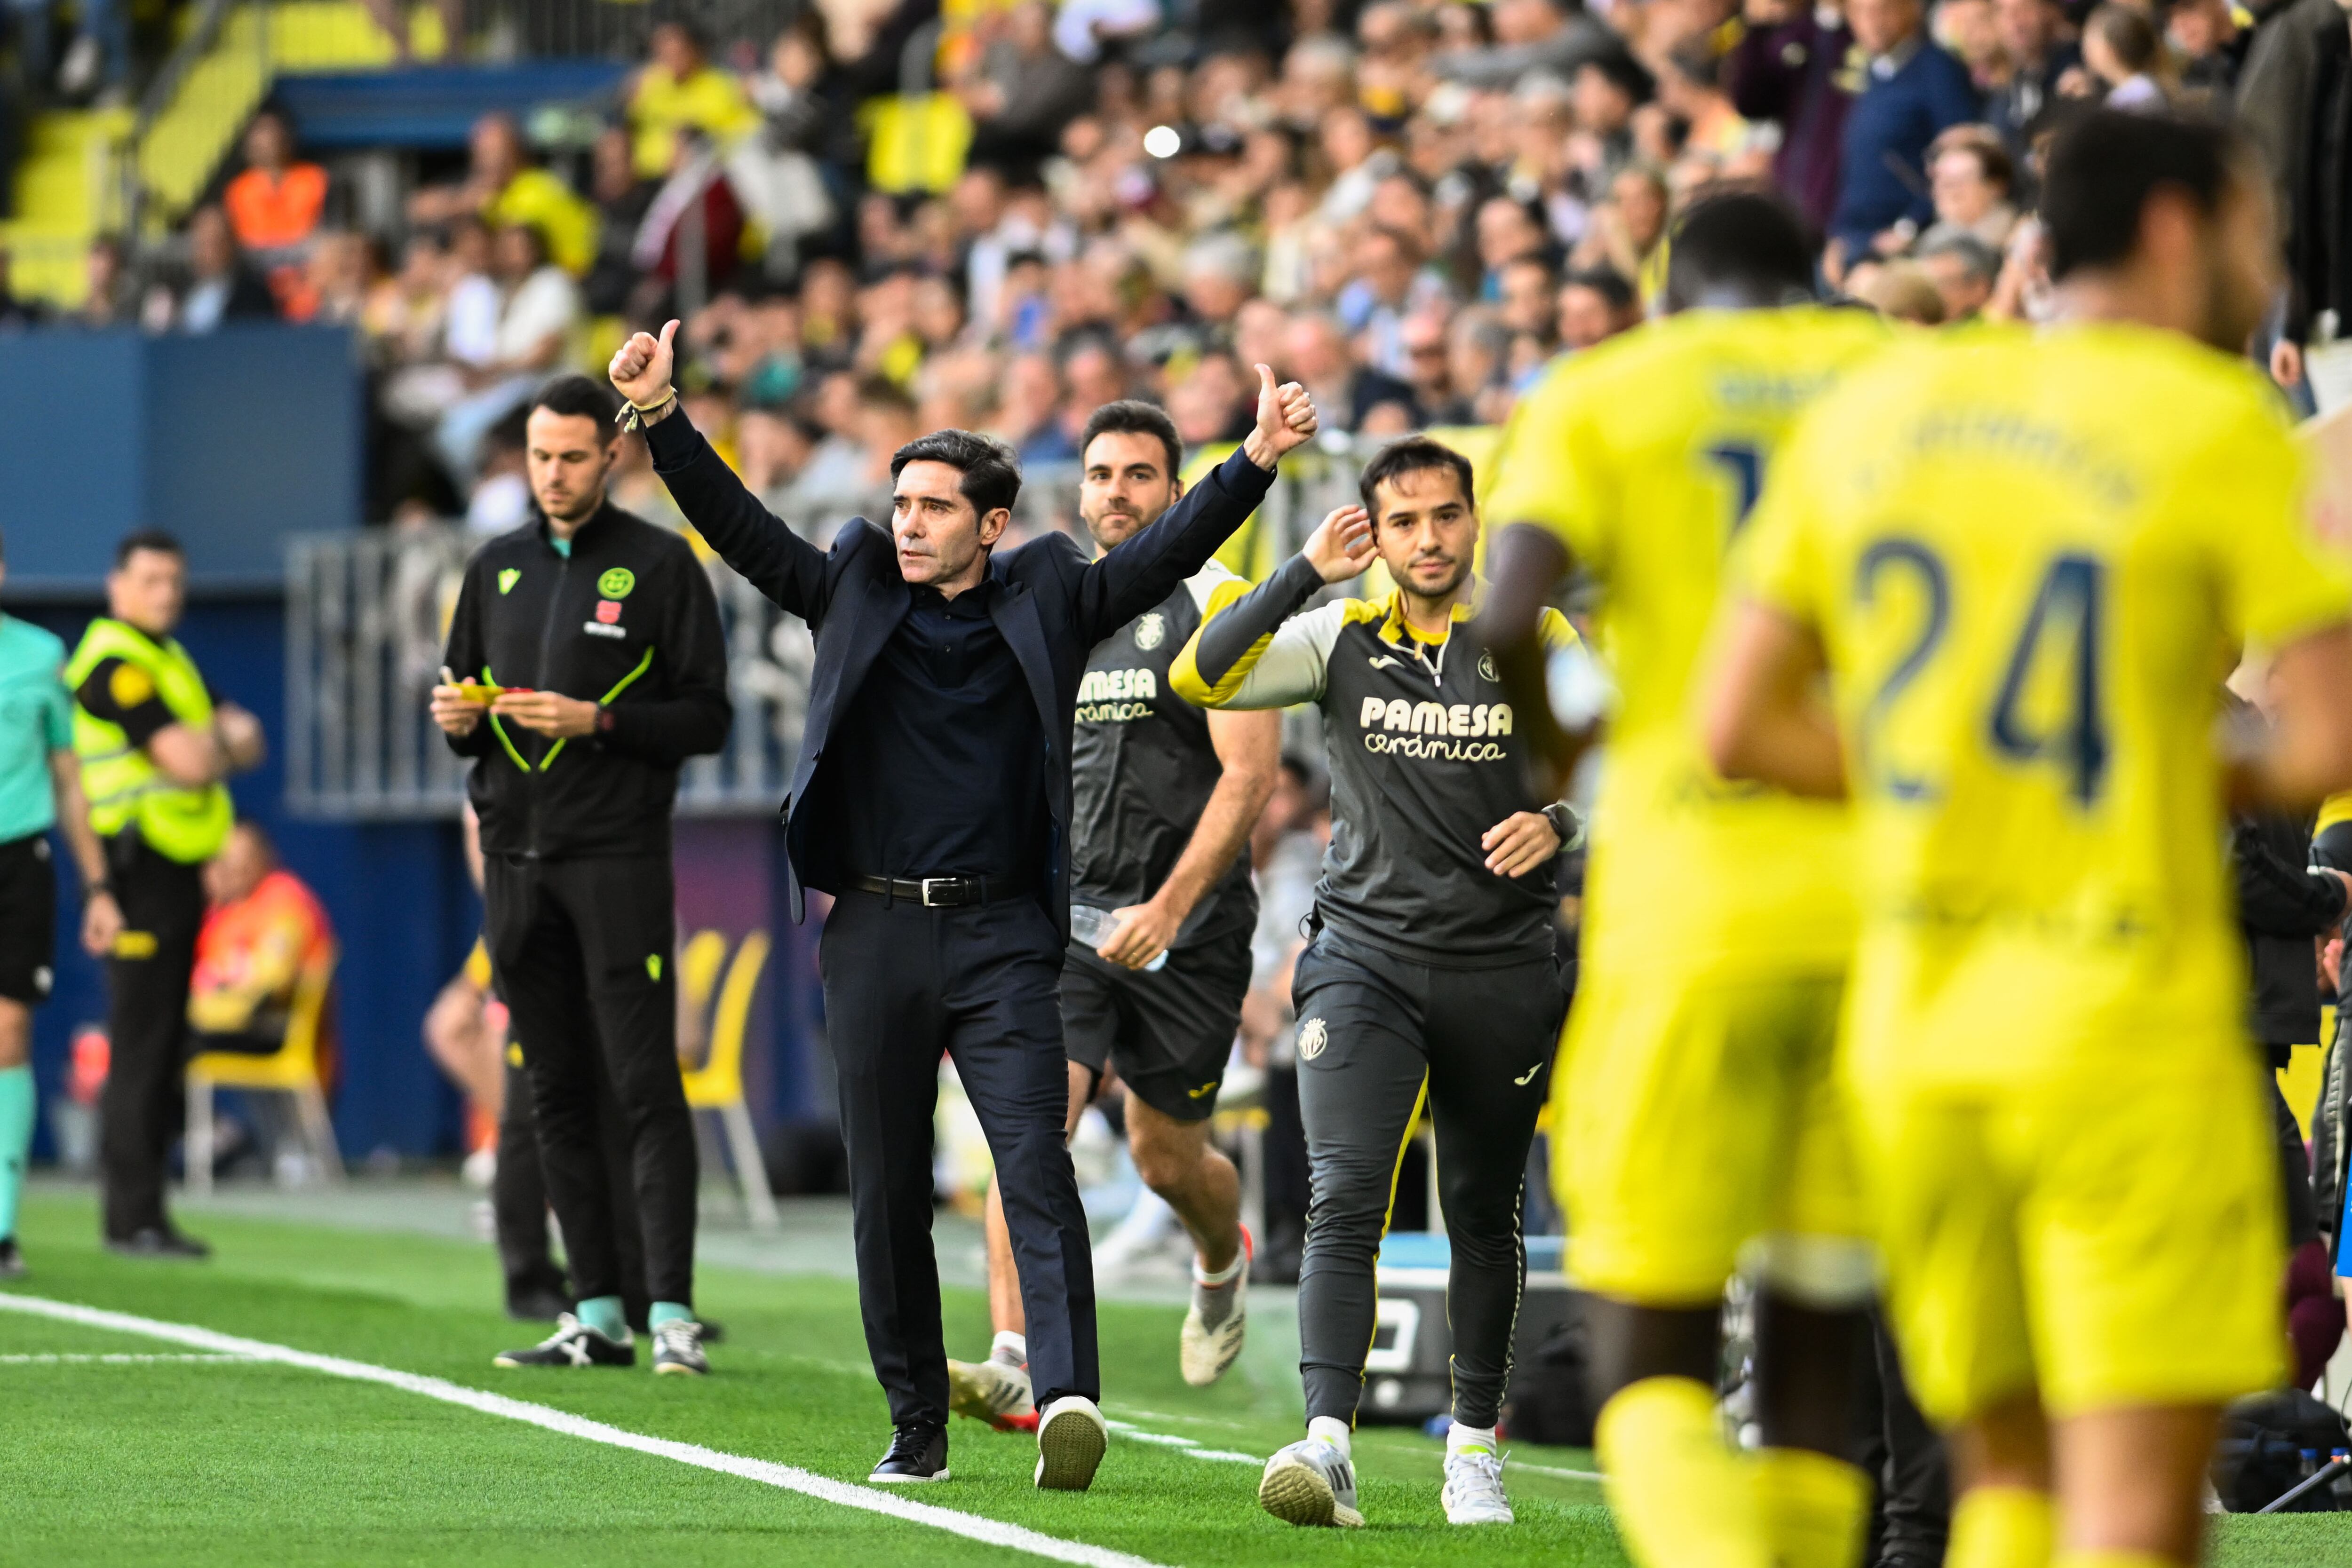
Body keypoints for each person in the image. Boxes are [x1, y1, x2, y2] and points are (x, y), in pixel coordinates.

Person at [1705, 109, 2352, 1568]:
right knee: (2125, 1506)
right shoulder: (2204, 424)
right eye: (2254, 223)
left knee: (1992, 1475)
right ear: (2179, 229)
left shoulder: (1876, 419)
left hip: (1917, 1022)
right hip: (2120, 1019)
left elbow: (1733, 722)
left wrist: (1945, 773)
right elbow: (2320, 741)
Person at [609, 317, 1318, 1490]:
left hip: (1001, 935)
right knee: (886, 1193)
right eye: (903, 502)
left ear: (991, 524)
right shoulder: (847, 585)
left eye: (937, 506)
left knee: (1032, 1160)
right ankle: (917, 1429)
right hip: (877, 932)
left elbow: (1155, 558)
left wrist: (1252, 460)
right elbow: (742, 533)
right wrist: (661, 417)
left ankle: (1068, 1397)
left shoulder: (1047, 595)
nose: (910, 521)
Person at [1474, 190, 1890, 1568]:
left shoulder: (1607, 389)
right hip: (1878, 894)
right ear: (1811, 274)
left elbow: (1501, 605)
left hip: (1689, 896)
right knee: (1817, 1336)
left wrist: (1559, 748)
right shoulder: (1892, 375)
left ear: (1667, 284)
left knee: (1648, 1333)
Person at [1172, 437, 1577, 1530]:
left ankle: (1476, 1449)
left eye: (1445, 516)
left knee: (1480, 1211)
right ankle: (1328, 1442)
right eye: (1404, 522)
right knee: (1342, 1195)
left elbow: (1629, 760)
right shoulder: (1340, 634)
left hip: (1502, 968)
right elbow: (1201, 671)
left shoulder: (1532, 634)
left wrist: (1560, 823)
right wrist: (1302, 570)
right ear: (1376, 532)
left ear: (1473, 520)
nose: (1429, 539)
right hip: (1363, 960)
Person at [944, 401, 1279, 1433]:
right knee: (1028, 1126)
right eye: (1099, 474)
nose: (1116, 493)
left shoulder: (1222, 601)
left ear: (1178, 493)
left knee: (1164, 1156)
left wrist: (1166, 907)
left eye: (1139, 474)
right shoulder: (1047, 611)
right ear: (1076, 490)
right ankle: (1017, 1353)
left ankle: (1222, 1253)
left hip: (1193, 930)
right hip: (1064, 928)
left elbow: (1250, 778)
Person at [430, 374, 731, 1377]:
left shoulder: (661, 566)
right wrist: (458, 721)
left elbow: (708, 719)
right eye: (537, 455)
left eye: (570, 455)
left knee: (645, 1084)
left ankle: (673, 1308)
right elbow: (461, 699)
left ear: (613, 456)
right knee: (551, 1088)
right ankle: (595, 1311)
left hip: (617, 862)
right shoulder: (494, 566)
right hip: (516, 866)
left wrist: (597, 719)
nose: (552, 473)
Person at [68, 531, 265, 1256]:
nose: (166, 594)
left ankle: (147, 1210)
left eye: (175, 581)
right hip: (136, 869)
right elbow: (191, 756)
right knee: (142, 1040)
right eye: (151, 580)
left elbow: (252, 736)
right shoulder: (114, 664)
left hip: (178, 868)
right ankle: (132, 1216)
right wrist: (216, 745)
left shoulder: (168, 658)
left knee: (164, 1037)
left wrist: (213, 744)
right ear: (116, 584)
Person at [0, 528, 122, 1277]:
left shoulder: (42, 657)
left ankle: (3, 1223)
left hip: (21, 860)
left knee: (8, 1031)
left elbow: (71, 779)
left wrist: (99, 887)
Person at [1828, 0, 1982, 276]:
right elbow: (1856, 166)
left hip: (1913, 247)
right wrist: (1838, 236)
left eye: (1882, 10)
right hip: (1856, 238)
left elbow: (1961, 155)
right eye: (1862, 13)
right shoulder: (1874, 73)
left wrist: (1910, 227)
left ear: (1910, 9)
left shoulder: (1938, 70)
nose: (1873, 23)